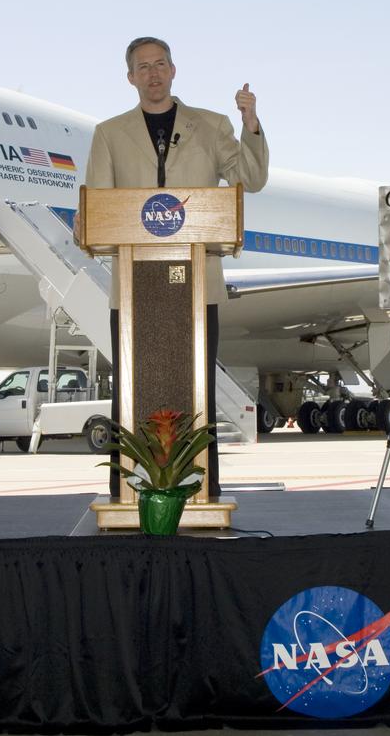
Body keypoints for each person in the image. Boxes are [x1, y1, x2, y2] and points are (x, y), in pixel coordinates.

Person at [83, 36, 269, 499]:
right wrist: (90, 226)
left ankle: (201, 494)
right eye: (143, 67)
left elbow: (252, 179)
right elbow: (96, 212)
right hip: (133, 287)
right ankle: (128, 497)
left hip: (197, 286)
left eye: (160, 64)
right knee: (131, 392)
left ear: (173, 70)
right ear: (130, 77)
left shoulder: (211, 125)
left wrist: (250, 124)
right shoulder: (109, 133)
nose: (153, 73)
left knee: (196, 395)